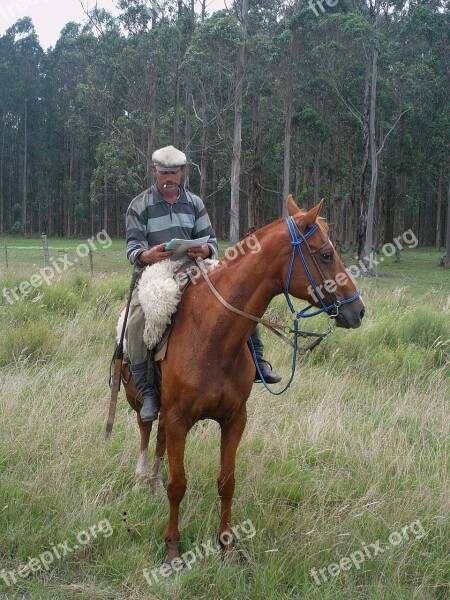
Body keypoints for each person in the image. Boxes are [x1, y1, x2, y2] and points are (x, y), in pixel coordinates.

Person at [125, 145, 281, 423]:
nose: (168, 178)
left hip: (194, 266)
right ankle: (148, 391)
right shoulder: (139, 205)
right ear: (154, 171)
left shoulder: (194, 203)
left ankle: (257, 360)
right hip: (155, 271)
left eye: (173, 172)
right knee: (137, 317)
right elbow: (132, 250)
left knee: (238, 295)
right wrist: (147, 254)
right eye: (163, 173)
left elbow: (210, 241)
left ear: (182, 172)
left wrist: (206, 251)